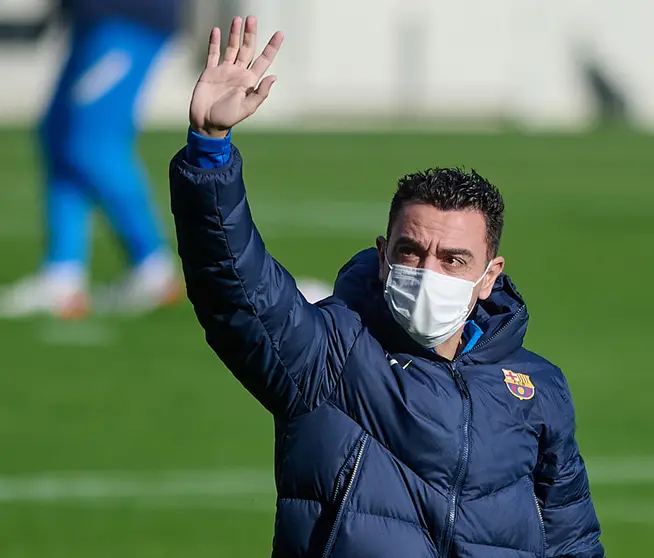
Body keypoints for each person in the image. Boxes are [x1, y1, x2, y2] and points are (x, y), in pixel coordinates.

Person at [171, 16, 604, 558]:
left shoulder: (537, 388)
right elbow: (234, 285)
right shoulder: (328, 355)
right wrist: (209, 150)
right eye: (411, 252)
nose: (428, 272)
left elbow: (572, 539)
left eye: (454, 259)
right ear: (382, 257)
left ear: (489, 277)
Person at [0, 0, 183, 318]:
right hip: (93, 17)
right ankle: (62, 274)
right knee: (58, 134)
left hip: (129, 16)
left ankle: (153, 267)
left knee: (93, 144)